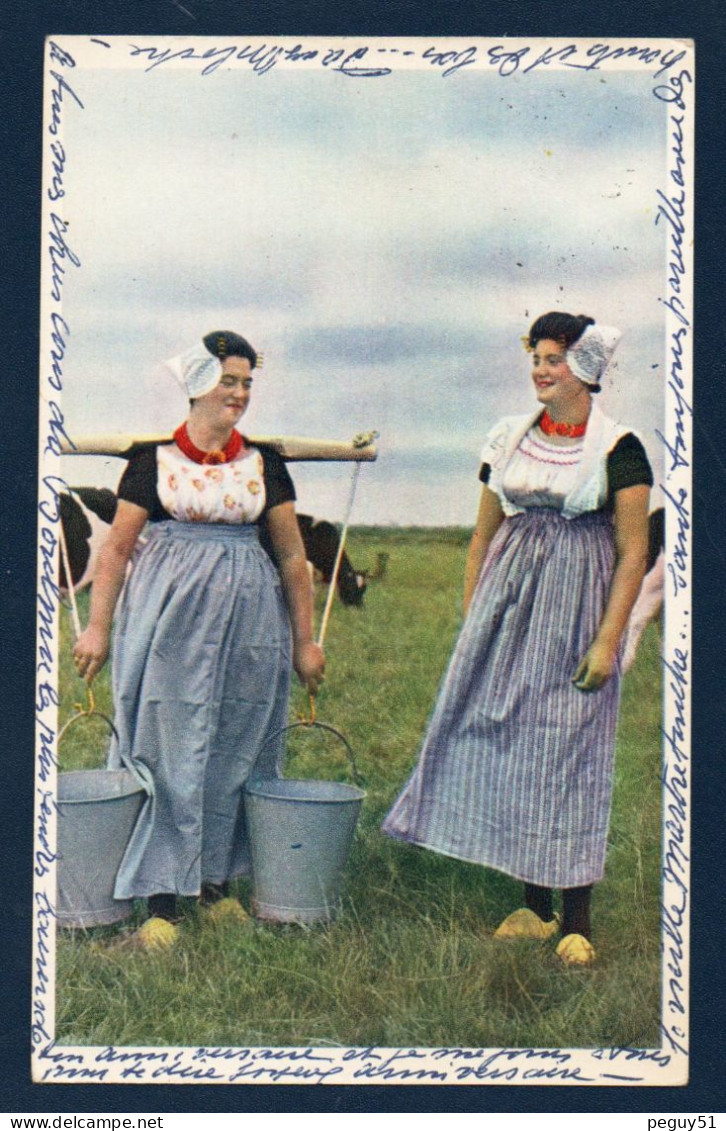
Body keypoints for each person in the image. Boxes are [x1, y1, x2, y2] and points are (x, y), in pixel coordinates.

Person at [382, 312, 652, 966]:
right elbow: (483, 534)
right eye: (536, 355)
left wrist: (607, 637)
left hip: (578, 606)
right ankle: (533, 904)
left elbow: (633, 549)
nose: (540, 368)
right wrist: (475, 612)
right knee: (510, 743)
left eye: (554, 358)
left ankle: (577, 919)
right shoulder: (507, 438)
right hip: (507, 605)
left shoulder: (620, 448)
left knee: (569, 747)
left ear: (583, 369)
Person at [73, 330, 325, 948]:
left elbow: (293, 558)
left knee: (239, 743)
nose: (239, 393)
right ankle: (164, 899)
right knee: (165, 744)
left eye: (246, 382)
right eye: (227, 380)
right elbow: (116, 553)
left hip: (250, 626)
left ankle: (214, 885)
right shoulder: (152, 461)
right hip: (169, 628)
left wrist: (305, 641)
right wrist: (98, 628)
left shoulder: (264, 462)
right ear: (196, 385)